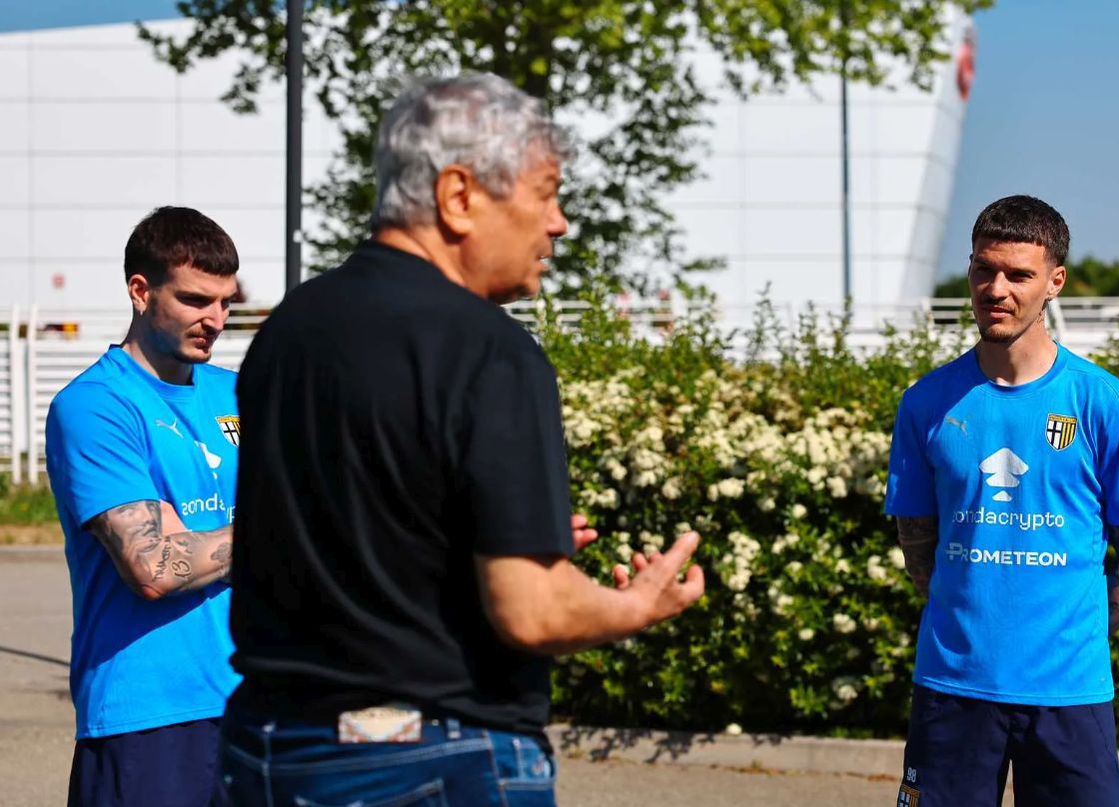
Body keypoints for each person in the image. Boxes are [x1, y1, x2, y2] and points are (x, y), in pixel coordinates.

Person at [220, 73, 705, 807]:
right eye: (546, 193)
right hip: (432, 759)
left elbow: (346, 539)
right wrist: (638, 603)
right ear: (458, 195)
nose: (559, 223)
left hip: (267, 748)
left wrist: (489, 535)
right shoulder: (491, 351)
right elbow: (533, 611)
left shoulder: (287, 332)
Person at [886, 195, 1119, 807]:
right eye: (984, 269)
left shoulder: (1103, 402)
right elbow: (918, 547)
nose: (997, 289)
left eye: (1018, 275)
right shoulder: (926, 403)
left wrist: (1075, 636)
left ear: (1054, 282)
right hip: (953, 687)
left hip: (1069, 694)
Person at [45, 206, 244, 806]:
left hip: (252, 699)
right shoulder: (96, 404)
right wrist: (276, 532)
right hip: (148, 714)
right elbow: (154, 566)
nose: (215, 320)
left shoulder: (237, 393)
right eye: (195, 300)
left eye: (225, 302)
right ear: (140, 291)